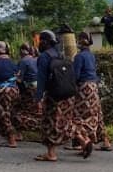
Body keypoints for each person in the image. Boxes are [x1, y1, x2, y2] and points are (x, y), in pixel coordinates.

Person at [34, 30, 93, 162]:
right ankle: (83, 139)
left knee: (49, 123)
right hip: (68, 94)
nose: (39, 44)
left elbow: (42, 79)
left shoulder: (44, 57)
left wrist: (38, 98)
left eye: (40, 41)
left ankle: (51, 153)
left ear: (44, 42)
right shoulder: (59, 54)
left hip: (54, 95)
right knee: (65, 121)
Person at [73, 32, 112, 153]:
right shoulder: (91, 55)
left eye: (78, 40)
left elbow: (76, 75)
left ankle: (84, 141)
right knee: (96, 114)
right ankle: (105, 141)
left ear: (81, 41)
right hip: (94, 87)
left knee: (79, 115)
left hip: (84, 88)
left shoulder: (79, 57)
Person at [12, 43, 42, 133]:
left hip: (29, 89)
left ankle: (19, 132)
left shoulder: (23, 61)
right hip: (38, 88)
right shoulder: (34, 60)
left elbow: (19, 79)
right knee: (36, 109)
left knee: (17, 109)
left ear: (22, 51)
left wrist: (12, 78)